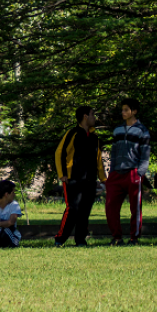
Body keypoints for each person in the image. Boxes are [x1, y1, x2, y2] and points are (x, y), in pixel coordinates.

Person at [54, 105, 107, 247]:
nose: (94, 118)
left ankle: (81, 240)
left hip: (90, 180)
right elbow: (60, 152)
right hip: (73, 179)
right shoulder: (73, 133)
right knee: (73, 209)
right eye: (92, 114)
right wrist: (63, 174)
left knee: (85, 211)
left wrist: (103, 178)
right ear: (85, 116)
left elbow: (98, 159)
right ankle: (60, 239)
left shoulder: (95, 137)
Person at [105, 97, 151, 245]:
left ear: (134, 111)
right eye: (122, 109)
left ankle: (134, 237)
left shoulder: (142, 131)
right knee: (111, 206)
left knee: (135, 208)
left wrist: (140, 172)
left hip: (133, 172)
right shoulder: (117, 130)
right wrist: (111, 171)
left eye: (126, 109)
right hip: (116, 173)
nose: (123, 112)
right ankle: (116, 237)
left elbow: (145, 154)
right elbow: (113, 152)